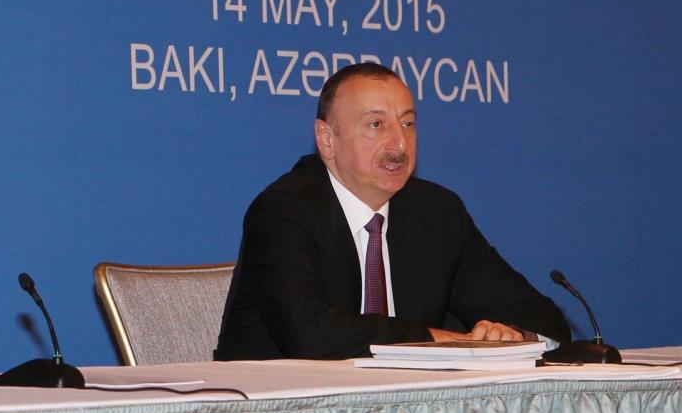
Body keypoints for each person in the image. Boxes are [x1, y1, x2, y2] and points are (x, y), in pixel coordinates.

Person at [214, 63, 569, 360]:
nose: (399, 144)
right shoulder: (284, 211)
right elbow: (312, 335)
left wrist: (510, 337)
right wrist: (438, 341)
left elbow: (546, 321)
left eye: (407, 124)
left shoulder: (437, 213)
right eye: (376, 125)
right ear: (326, 140)